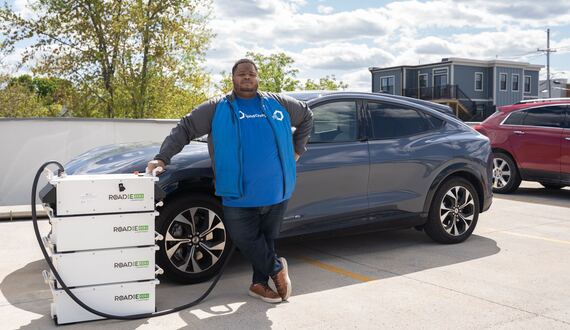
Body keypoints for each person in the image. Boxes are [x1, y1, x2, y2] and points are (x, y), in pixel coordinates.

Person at [146, 58, 313, 303]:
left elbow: (307, 115)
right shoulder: (217, 107)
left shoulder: (277, 103)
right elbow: (185, 128)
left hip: (277, 189)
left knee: (265, 240)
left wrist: (297, 149)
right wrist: (162, 158)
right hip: (237, 192)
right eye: (242, 74)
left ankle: (259, 284)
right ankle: (277, 268)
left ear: (258, 78)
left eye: (251, 73)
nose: (247, 77)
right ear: (233, 78)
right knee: (244, 237)